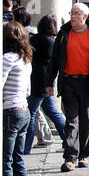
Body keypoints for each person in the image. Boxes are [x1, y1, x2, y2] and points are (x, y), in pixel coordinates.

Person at [45, 2, 89, 170]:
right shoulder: (64, 34)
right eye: (72, 13)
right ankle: (70, 157)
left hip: (88, 83)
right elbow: (54, 61)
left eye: (77, 13)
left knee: (86, 120)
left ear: (85, 17)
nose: (73, 16)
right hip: (69, 81)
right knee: (71, 120)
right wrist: (49, 83)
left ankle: (84, 155)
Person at [2, 20, 33, 176]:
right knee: (18, 159)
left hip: (9, 112)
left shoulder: (7, 59)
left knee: (6, 161)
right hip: (23, 110)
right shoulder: (25, 59)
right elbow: (28, 89)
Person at [24, 15, 67, 154]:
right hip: (47, 80)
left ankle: (26, 146)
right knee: (52, 111)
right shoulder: (53, 41)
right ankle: (68, 139)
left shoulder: (35, 39)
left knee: (31, 113)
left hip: (36, 80)